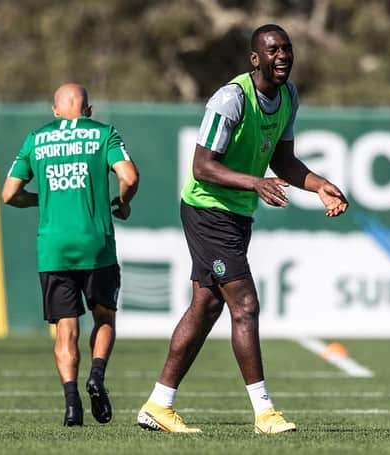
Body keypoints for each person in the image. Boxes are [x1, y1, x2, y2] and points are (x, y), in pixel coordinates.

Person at [137, 24, 348, 434]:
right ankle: (265, 413)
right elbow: (203, 166)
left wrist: (320, 185)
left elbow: (283, 162)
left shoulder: (288, 97)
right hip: (207, 210)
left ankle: (158, 404)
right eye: (273, 50)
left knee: (206, 307)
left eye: (287, 48)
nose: (283, 56)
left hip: (237, 214)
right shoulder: (231, 99)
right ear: (256, 59)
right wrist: (255, 182)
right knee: (245, 305)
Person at [2, 83, 139, 426]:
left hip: (53, 247)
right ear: (89, 110)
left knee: (66, 328)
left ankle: (71, 404)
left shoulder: (36, 138)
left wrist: (41, 197)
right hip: (96, 244)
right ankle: (97, 375)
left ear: (55, 111)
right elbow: (129, 176)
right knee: (104, 316)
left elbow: (8, 194)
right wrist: (123, 203)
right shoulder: (104, 133)